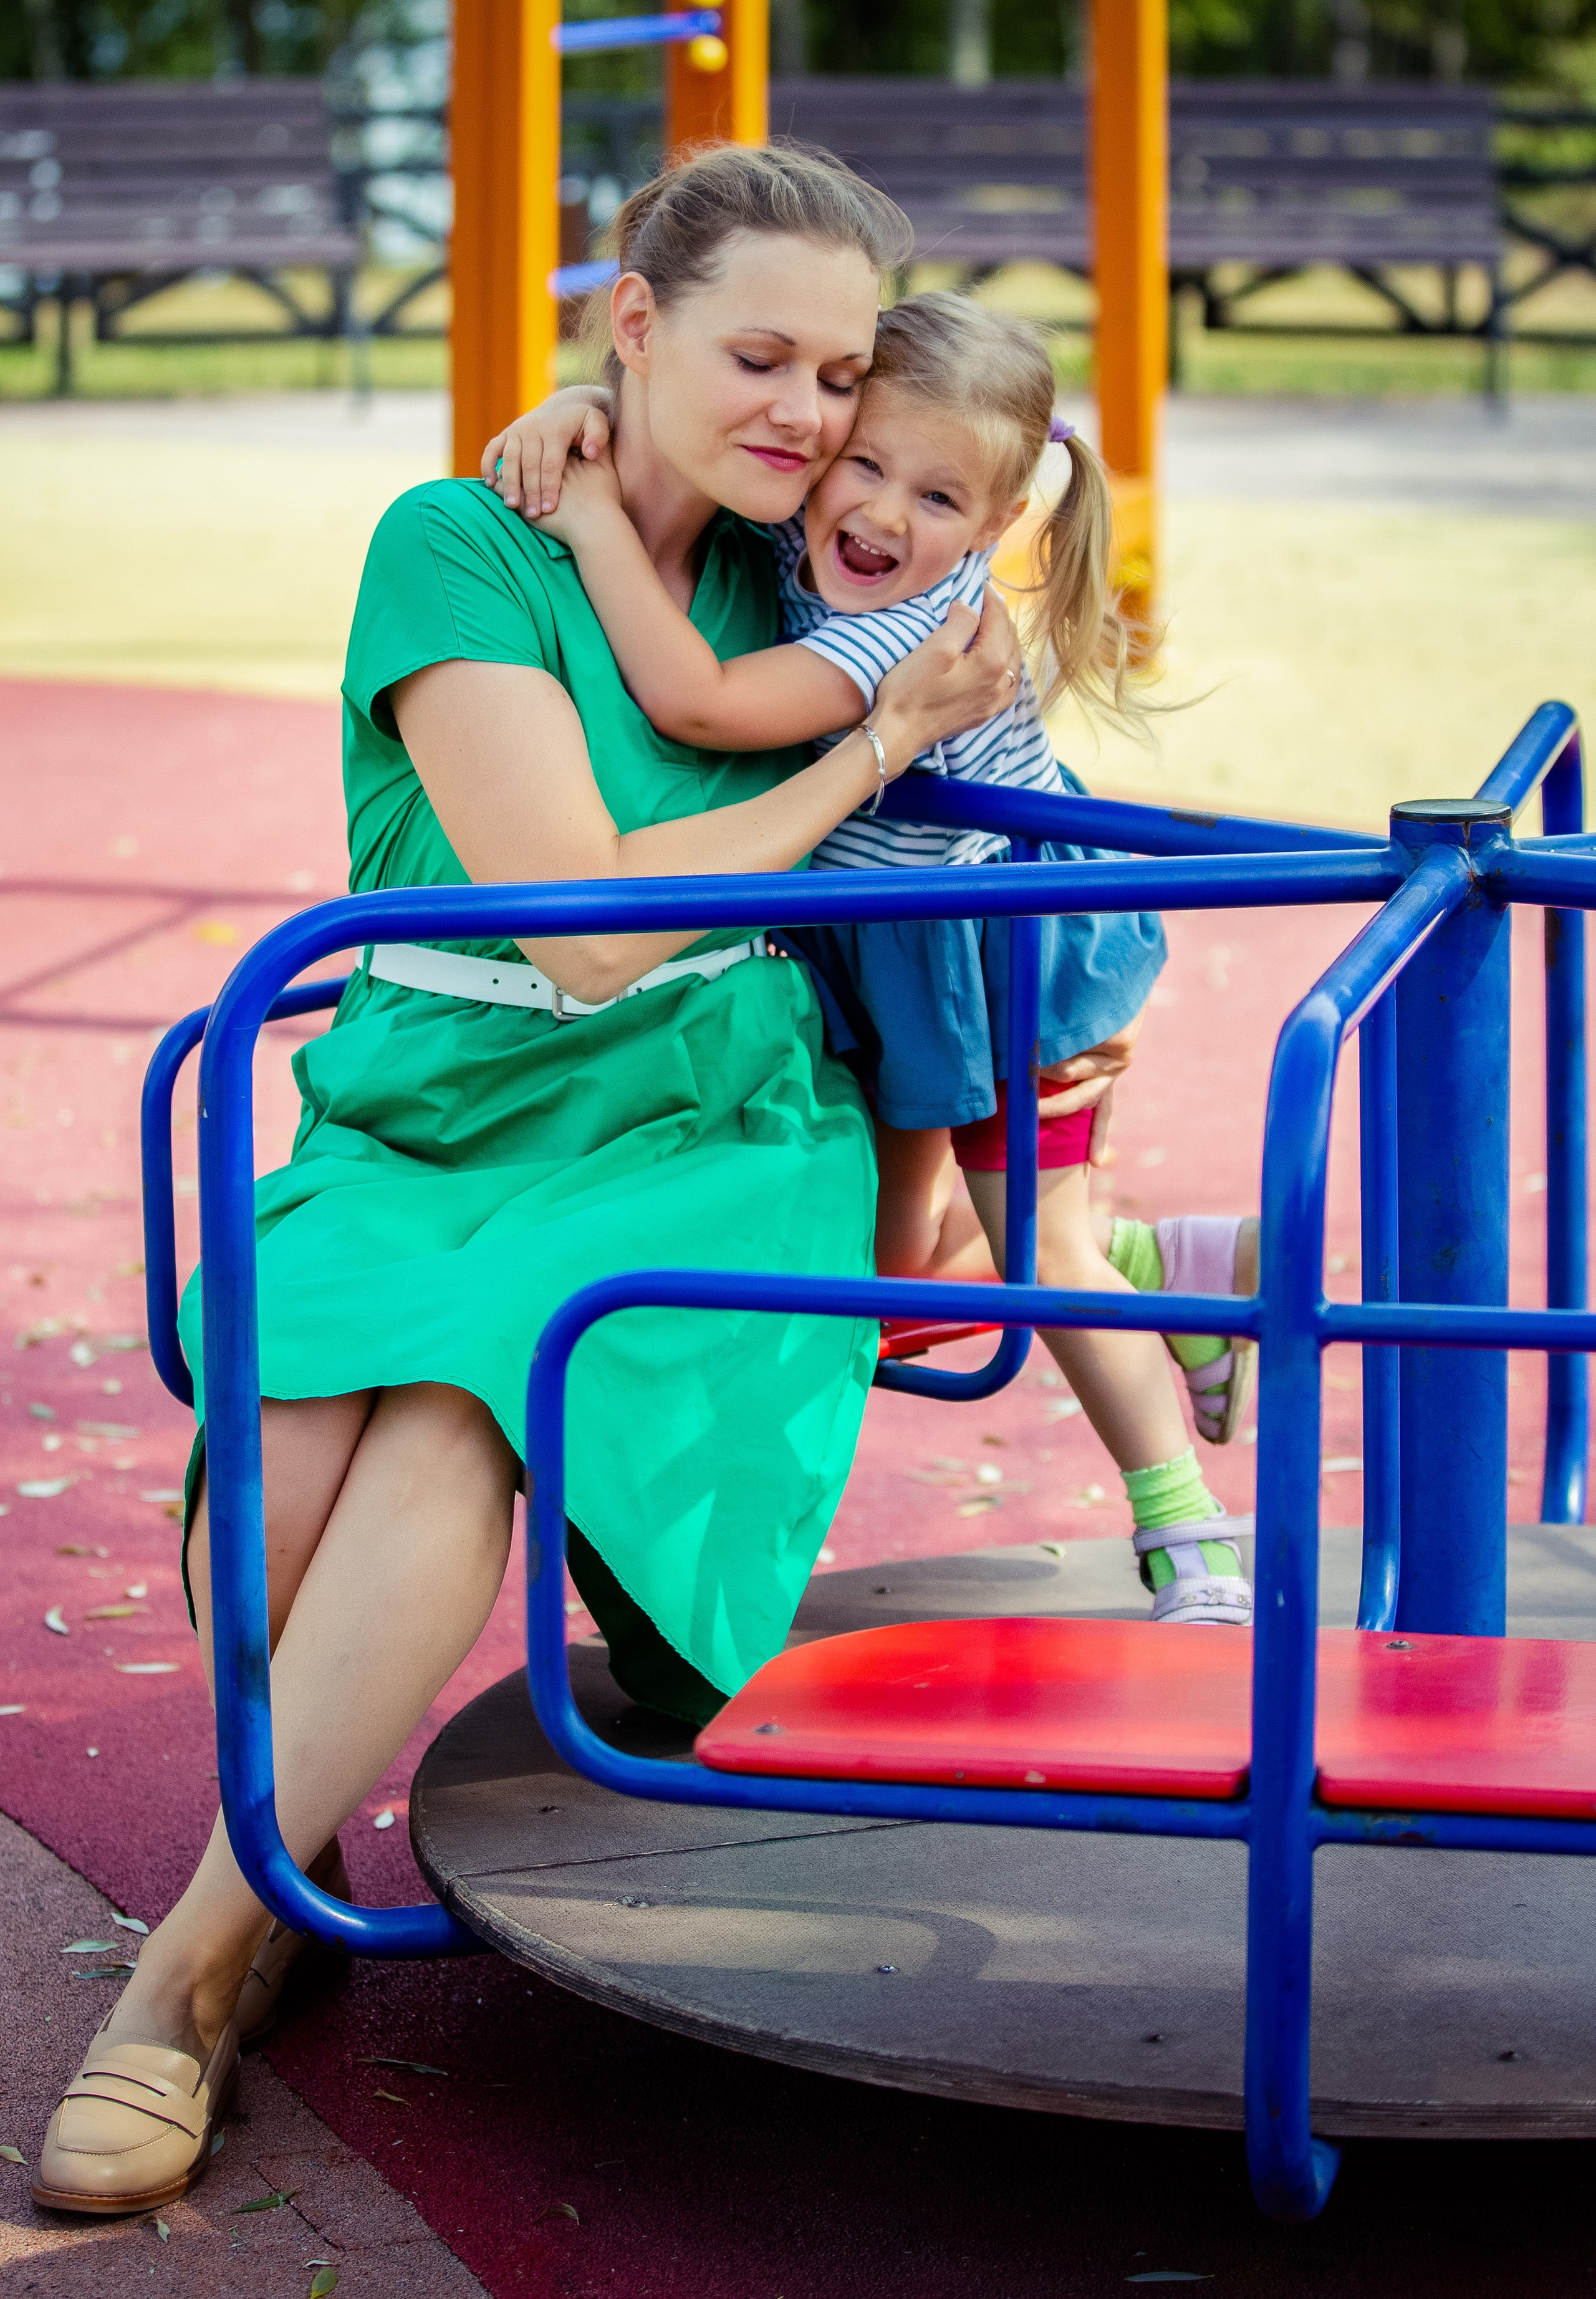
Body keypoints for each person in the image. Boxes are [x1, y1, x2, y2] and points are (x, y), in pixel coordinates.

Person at [30, 141, 1027, 2219]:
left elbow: (989, 543)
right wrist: (848, 759)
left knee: (480, 1399)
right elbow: (575, 923)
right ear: (633, 328)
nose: (811, 416)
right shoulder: (464, 543)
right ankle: (280, 1858)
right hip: (439, 1106)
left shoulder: (806, 562)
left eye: (840, 372)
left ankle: (185, 1981)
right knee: (288, 1480)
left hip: (699, 1129)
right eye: (759, 354)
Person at [485, 289, 1257, 1634]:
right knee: (892, 1260)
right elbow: (693, 435)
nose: (889, 515)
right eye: (868, 466)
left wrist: (589, 514)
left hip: (990, 957)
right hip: (874, 955)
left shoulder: (907, 629)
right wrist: (580, 415)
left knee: (1025, 1245)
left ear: (999, 526)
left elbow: (701, 701)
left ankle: (1185, 1533)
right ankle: (1160, 1266)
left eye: (941, 499)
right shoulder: (797, 529)